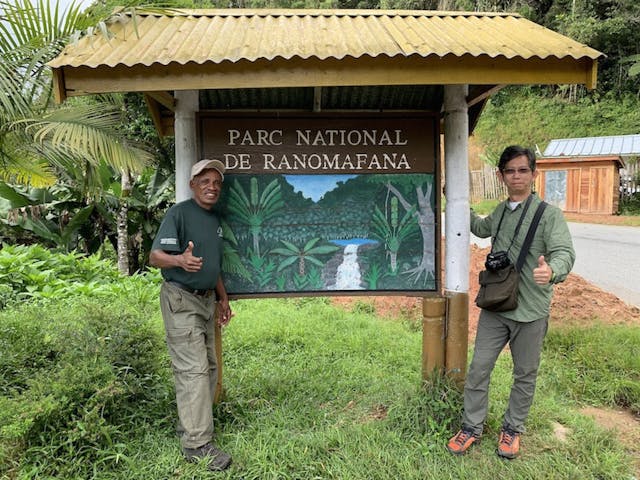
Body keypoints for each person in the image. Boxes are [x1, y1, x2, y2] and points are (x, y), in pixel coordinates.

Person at [446, 145, 575, 459]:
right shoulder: (502, 211)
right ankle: (471, 427)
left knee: (525, 374)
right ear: (501, 175)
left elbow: (564, 253)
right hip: (497, 305)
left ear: (533, 174)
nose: (516, 176)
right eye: (510, 171)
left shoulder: (549, 215)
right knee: (478, 369)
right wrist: (454, 197)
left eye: (522, 170)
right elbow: (480, 228)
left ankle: (512, 430)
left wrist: (552, 270)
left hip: (531, 309)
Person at [149, 158, 233, 471]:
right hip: (181, 300)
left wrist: (223, 298)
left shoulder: (214, 221)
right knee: (194, 370)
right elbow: (155, 256)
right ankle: (197, 444)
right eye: (205, 181)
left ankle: (192, 424)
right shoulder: (179, 213)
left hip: (207, 301)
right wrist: (180, 261)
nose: (211, 187)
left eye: (216, 183)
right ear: (192, 185)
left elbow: (214, 265)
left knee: (209, 367)